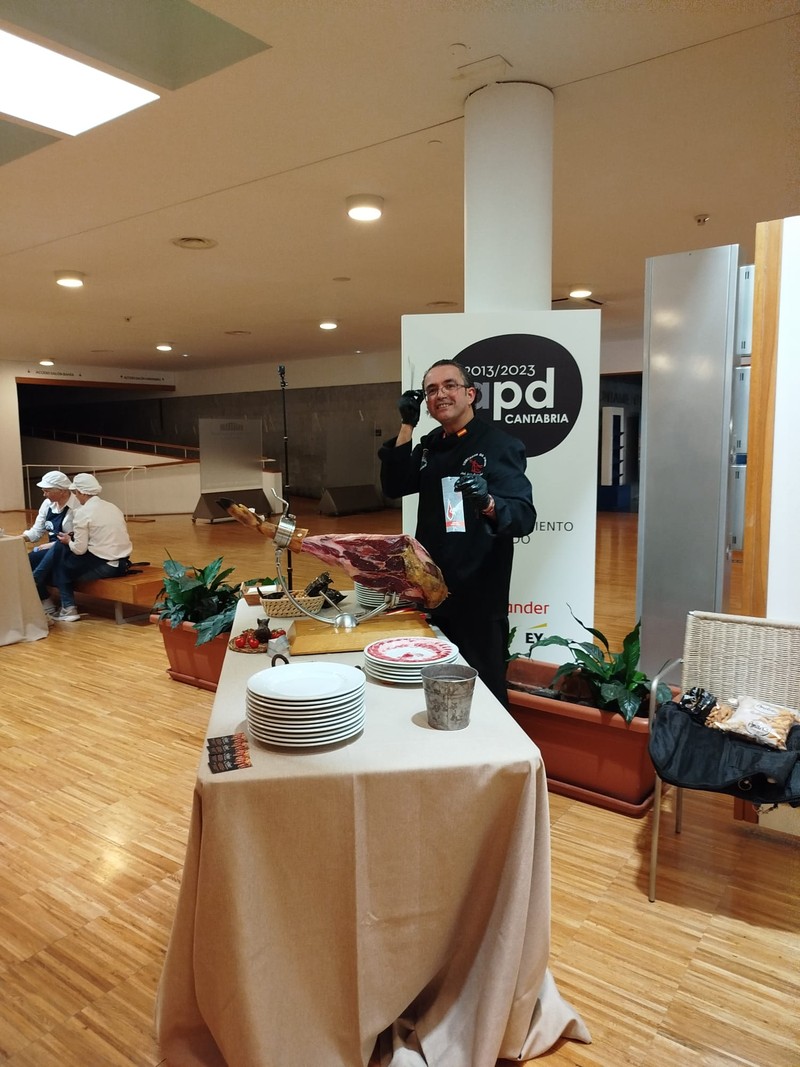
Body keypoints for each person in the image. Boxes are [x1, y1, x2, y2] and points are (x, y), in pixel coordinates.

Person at [378, 359, 536, 706]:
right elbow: (394, 485)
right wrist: (407, 425)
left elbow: (523, 517)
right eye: (431, 390)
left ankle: (495, 741)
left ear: (471, 394)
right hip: (431, 588)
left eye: (450, 385)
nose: (440, 394)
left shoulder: (500, 445)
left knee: (484, 688)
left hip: (478, 593)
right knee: (431, 679)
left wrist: (489, 501)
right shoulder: (431, 443)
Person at [37, 473, 133, 622]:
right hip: (123, 563)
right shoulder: (112, 507)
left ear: (81, 492)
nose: (75, 496)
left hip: (105, 565)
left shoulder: (83, 512)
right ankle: (40, 580)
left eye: (75, 493)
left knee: (60, 562)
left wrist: (68, 541)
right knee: (60, 552)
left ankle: (66, 606)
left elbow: (79, 549)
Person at [21, 471, 78, 617]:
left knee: (35, 560)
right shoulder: (47, 504)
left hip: (70, 548)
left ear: (62, 491)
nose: (44, 494)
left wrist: (52, 545)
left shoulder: (77, 506)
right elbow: (36, 531)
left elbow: (77, 537)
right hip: (52, 548)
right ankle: (45, 600)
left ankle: (39, 584)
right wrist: (19, 539)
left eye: (47, 491)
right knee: (26, 561)